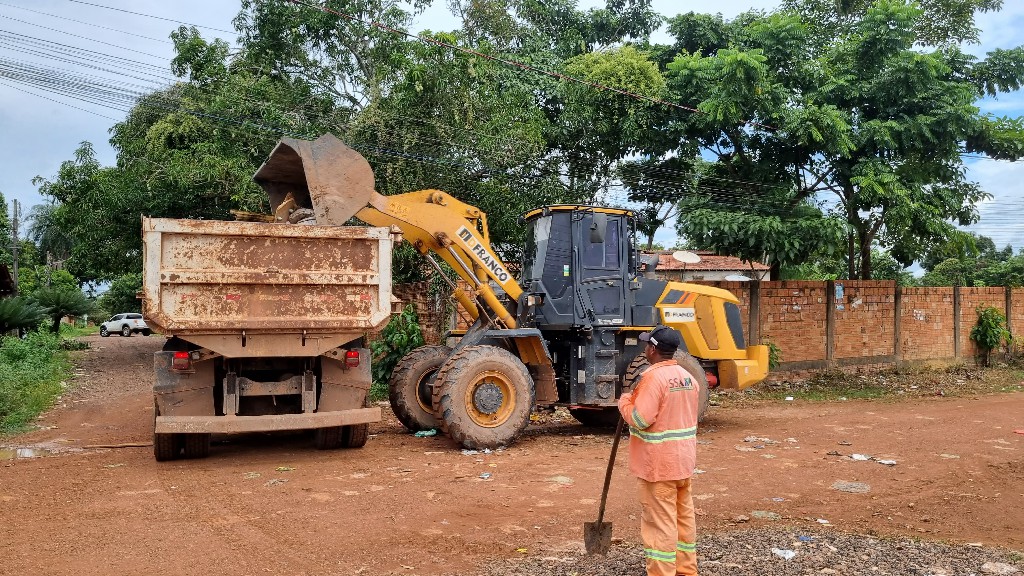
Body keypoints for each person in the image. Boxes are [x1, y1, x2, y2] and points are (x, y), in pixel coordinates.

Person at [617, 325, 700, 576]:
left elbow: (641, 419)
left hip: (659, 467)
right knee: (683, 519)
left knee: (659, 524)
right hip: (683, 464)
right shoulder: (688, 378)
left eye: (646, 345)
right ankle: (686, 570)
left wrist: (625, 402)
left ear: (653, 349)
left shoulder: (653, 378)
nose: (645, 349)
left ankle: (662, 572)